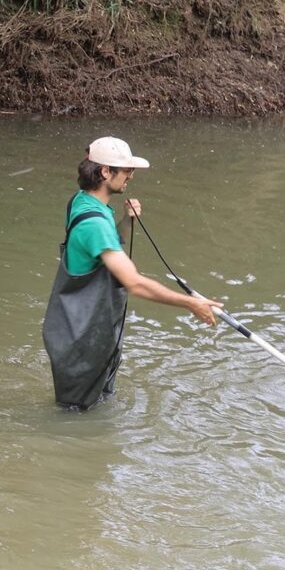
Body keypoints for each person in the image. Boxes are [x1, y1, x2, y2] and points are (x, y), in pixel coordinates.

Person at [42, 137, 223, 409]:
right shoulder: (94, 224)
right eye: (127, 170)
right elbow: (134, 283)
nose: (131, 176)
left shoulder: (83, 203)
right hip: (81, 342)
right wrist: (191, 303)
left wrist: (126, 221)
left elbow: (104, 247)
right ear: (105, 172)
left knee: (93, 410)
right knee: (75, 418)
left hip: (84, 331)